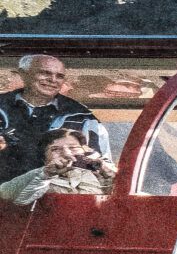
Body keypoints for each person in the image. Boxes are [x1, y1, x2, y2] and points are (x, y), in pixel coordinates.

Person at [0, 54, 108, 182]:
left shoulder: (82, 116)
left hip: (57, 195)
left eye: (59, 76)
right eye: (45, 73)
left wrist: (94, 164)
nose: (53, 80)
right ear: (23, 74)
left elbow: (102, 165)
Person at [1, 132, 110, 207]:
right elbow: (21, 201)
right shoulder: (38, 175)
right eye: (55, 149)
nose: (67, 154)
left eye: (73, 148)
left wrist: (110, 175)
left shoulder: (94, 175)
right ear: (44, 158)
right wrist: (46, 174)